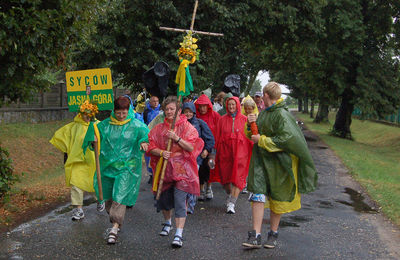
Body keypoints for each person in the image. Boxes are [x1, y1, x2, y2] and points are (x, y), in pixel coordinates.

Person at [242, 82, 317, 249]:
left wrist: (261, 140)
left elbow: (286, 139)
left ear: (266, 96)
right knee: (258, 195)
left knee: (278, 196)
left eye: (263, 95)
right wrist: (250, 124)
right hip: (261, 162)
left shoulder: (282, 115)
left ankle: (273, 234)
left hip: (279, 164)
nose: (261, 98)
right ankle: (255, 235)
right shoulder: (264, 113)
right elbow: (253, 135)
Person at [147, 96, 204, 248]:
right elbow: (150, 145)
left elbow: (192, 147)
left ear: (179, 111)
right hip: (164, 170)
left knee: (180, 201)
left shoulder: (188, 128)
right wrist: (160, 152)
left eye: (172, 109)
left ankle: (179, 233)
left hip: (183, 171)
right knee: (164, 200)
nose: (169, 112)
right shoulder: (158, 128)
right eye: (167, 109)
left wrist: (177, 138)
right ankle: (167, 222)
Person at [93, 96, 149, 244]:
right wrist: (92, 139)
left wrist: (144, 142)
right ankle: (115, 220)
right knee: (109, 198)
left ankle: (114, 228)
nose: (121, 116)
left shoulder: (136, 125)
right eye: (118, 113)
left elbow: (145, 134)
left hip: (127, 168)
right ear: (114, 111)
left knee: (120, 195)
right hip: (107, 166)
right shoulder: (105, 125)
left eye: (124, 113)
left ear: (128, 110)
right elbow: (94, 136)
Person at [50, 100, 101, 221]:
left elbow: (106, 140)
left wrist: (97, 140)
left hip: (94, 162)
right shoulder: (73, 127)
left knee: (95, 183)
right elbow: (61, 137)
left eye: (90, 115)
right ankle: (78, 209)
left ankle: (100, 199)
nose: (87, 117)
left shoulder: (98, 125)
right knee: (76, 185)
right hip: (77, 162)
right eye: (85, 114)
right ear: (80, 113)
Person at [214, 96, 253, 214]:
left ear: (237, 105)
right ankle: (230, 195)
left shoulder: (245, 119)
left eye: (233, 104)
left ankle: (232, 203)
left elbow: (251, 136)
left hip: (241, 154)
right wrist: (213, 152)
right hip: (225, 153)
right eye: (229, 104)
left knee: (238, 178)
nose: (231, 107)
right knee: (225, 179)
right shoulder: (221, 120)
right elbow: (217, 136)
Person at [182, 102, 215, 209]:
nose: (188, 114)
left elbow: (210, 139)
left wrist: (206, 149)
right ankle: (185, 200)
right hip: (183, 157)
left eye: (189, 112)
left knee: (192, 179)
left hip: (197, 157)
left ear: (193, 112)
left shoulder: (200, 123)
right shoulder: (180, 124)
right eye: (185, 112)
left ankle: (190, 202)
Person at [195, 94, 221, 200]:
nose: (202, 108)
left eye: (204, 106)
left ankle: (209, 187)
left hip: (212, 146)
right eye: (200, 106)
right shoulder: (195, 117)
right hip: (198, 148)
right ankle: (201, 188)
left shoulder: (215, 116)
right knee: (200, 168)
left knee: (211, 166)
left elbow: (219, 131)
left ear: (208, 106)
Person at [240, 96, 259, 194]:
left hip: (253, 142)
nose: (247, 110)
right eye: (246, 108)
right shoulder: (242, 116)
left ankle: (250, 183)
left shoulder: (257, 117)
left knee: (252, 163)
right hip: (244, 142)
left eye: (249, 109)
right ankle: (244, 183)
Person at [143, 95, 161, 184]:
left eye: (157, 101)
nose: (155, 103)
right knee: (149, 156)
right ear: (150, 102)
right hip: (150, 136)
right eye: (153, 101)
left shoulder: (161, 111)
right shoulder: (146, 112)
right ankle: (151, 174)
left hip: (159, 137)